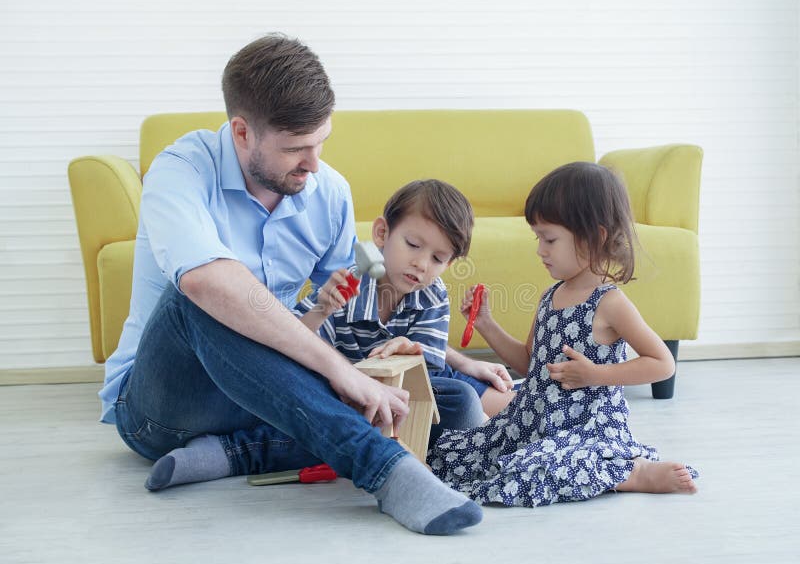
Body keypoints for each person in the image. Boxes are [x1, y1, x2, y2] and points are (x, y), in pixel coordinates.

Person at [100, 33, 482, 535]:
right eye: (297, 148)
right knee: (206, 292)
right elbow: (209, 284)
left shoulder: (328, 192)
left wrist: (451, 358)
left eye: (321, 141)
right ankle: (382, 468)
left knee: (451, 401)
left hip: (266, 393)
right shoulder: (181, 170)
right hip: (165, 406)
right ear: (242, 132)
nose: (314, 163)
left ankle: (231, 455)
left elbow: (347, 310)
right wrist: (337, 373)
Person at [427, 161, 698, 507]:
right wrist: (486, 324)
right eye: (538, 238)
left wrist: (595, 374)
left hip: (586, 428)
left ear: (594, 237)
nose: (540, 249)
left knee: (534, 470)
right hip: (533, 422)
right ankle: (609, 470)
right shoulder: (550, 296)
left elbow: (662, 364)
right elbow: (530, 364)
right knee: (454, 456)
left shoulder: (610, 302)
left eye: (550, 239)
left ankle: (634, 472)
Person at [293, 178, 506, 444]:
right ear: (382, 233)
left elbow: (426, 377)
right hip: (345, 394)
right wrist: (322, 309)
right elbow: (292, 341)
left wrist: (412, 349)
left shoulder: (432, 293)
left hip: (400, 395)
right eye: (413, 245)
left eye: (437, 259)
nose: (421, 264)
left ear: (448, 264)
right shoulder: (348, 285)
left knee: (462, 399)